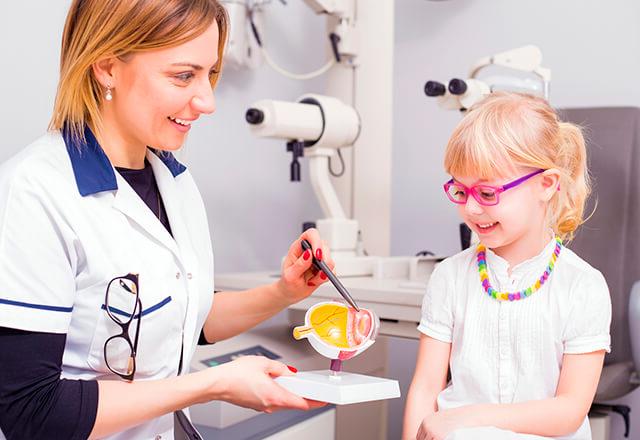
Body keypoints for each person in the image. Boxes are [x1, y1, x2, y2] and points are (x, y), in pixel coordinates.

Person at [0, 1, 334, 439]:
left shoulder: (173, 181)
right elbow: (31, 411)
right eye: (183, 75)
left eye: (209, 74)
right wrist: (214, 384)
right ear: (107, 68)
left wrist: (282, 291)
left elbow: (183, 318)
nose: (208, 101)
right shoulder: (34, 192)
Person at [402, 92, 612, 440]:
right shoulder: (450, 278)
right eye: (460, 191)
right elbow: (424, 390)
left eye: (487, 194)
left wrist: (463, 418)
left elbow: (569, 410)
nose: (470, 208)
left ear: (546, 185)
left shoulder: (582, 286)